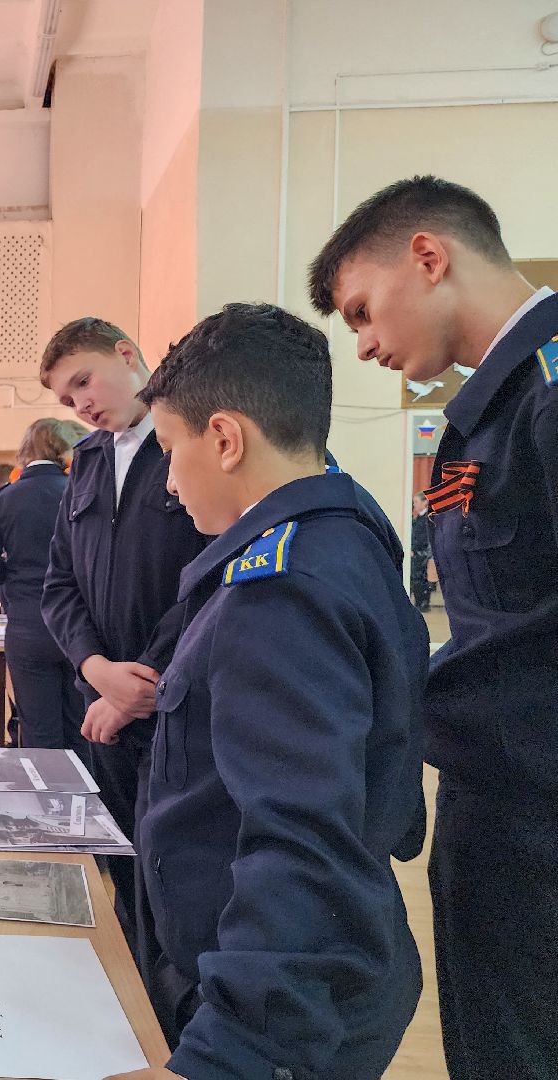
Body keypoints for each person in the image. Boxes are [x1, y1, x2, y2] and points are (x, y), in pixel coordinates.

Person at [105, 302, 428, 1080]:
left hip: (272, 1017)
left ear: (222, 438)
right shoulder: (341, 536)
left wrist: (226, 1054)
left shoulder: (279, 589)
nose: (169, 485)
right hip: (289, 982)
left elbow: (301, 839)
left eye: (170, 451)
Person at [310, 174, 558, 1080]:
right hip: (496, 792)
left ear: (427, 255)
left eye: (364, 312)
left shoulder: (547, 390)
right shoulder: (483, 411)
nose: (367, 344)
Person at [38, 316, 208, 994]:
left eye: (82, 380)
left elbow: (210, 574)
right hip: (102, 709)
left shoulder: (185, 441)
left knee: (175, 874)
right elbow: (58, 585)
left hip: (174, 705)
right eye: (64, 398)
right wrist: (94, 670)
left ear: (127, 354)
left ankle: (173, 1012)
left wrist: (144, 678)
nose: (79, 403)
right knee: (120, 862)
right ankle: (136, 996)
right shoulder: (83, 462)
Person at [0, 417, 83, 751]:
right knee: (80, 728)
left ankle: (45, 801)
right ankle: (84, 801)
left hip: (28, 628)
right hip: (78, 628)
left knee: (38, 730)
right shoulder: (79, 493)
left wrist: (14, 571)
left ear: (24, 452)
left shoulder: (2, 500)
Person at [409, 492, 434, 611]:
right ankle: (419, 603)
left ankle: (422, 604)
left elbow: (423, 539)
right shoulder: (418, 518)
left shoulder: (426, 519)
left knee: (419, 578)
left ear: (425, 503)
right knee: (416, 579)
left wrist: (414, 550)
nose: (414, 505)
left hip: (422, 553)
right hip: (417, 553)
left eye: (416, 502)